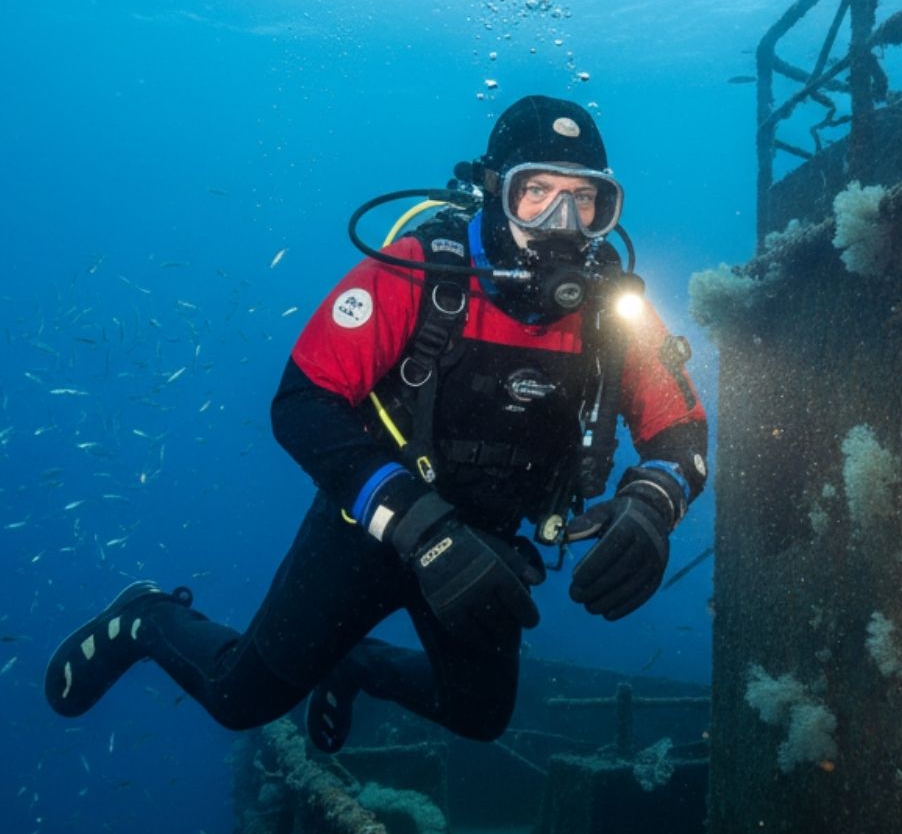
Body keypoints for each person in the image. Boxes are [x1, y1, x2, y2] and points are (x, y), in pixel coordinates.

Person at [45, 95, 708, 751]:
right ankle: (146, 618)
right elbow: (301, 402)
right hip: (366, 532)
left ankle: (356, 663)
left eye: (584, 199)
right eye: (535, 192)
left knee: (480, 716)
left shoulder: (613, 312)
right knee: (238, 699)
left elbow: (681, 431)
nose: (563, 220)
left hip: (482, 554)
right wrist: (420, 528)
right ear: (492, 191)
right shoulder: (418, 273)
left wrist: (655, 501)